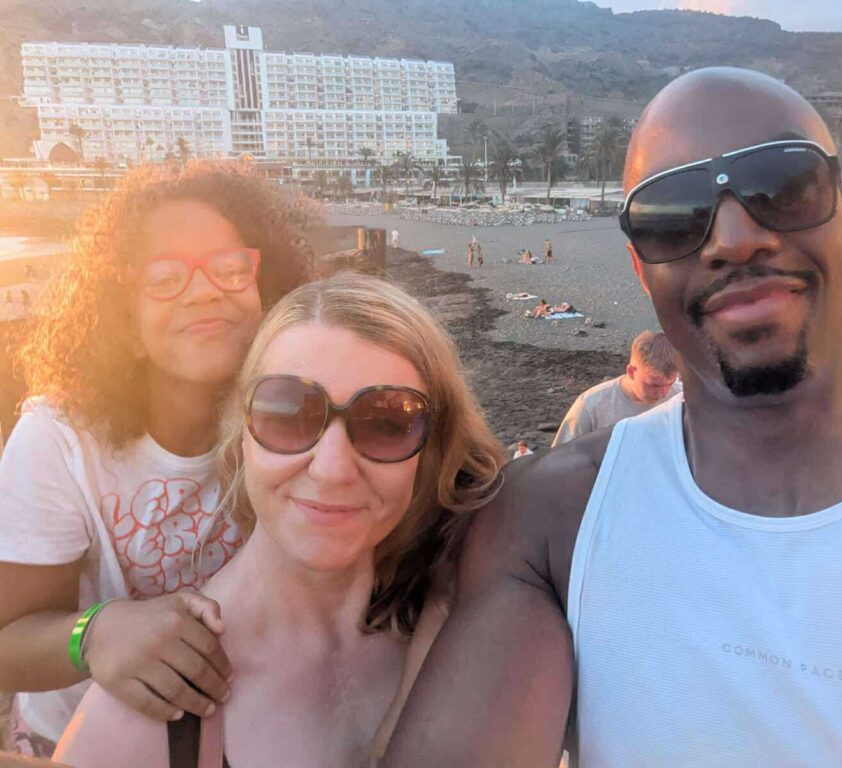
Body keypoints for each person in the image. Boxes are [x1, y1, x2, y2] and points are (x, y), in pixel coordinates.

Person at [382, 68, 842, 767]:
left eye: (783, 185)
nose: (735, 238)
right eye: (673, 215)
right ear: (640, 270)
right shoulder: (551, 521)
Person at [52, 272, 505, 767]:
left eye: (387, 423)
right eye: (287, 413)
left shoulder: (454, 633)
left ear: (429, 452)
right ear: (240, 434)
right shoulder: (152, 710)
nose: (332, 469)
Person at [0, 161, 317, 757]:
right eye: (167, 278)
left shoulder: (304, 416)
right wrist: (93, 634)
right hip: (84, 741)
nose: (205, 290)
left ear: (265, 290)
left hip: (243, 731)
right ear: (124, 318)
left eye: (230, 269)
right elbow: (5, 646)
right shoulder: (60, 441)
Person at [552, 330, 682, 446]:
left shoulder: (682, 399)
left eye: (669, 384)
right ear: (631, 371)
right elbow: (560, 461)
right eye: (654, 385)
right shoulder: (591, 405)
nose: (663, 394)